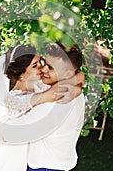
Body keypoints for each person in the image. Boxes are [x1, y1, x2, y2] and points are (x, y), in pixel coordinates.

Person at [0, 44, 84, 171]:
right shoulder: (57, 92)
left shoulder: (55, 98)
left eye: (48, 66)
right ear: (21, 74)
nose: (42, 69)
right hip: (11, 157)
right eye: (36, 65)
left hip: (42, 165)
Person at [26, 43, 85, 171]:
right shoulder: (72, 91)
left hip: (46, 167)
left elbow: (22, 124)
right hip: (56, 164)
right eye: (44, 63)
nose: (44, 69)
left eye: (51, 68)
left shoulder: (59, 98)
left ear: (69, 73)